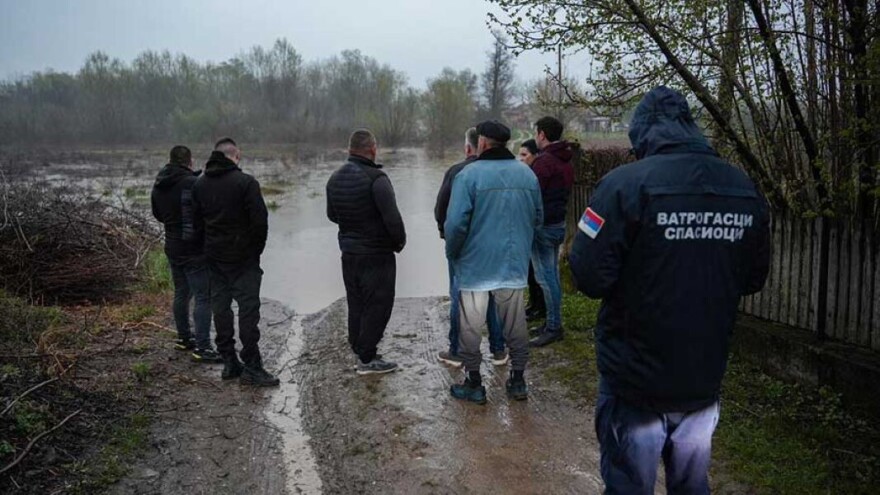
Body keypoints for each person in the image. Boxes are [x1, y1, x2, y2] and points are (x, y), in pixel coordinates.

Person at [568, 86, 771, 494]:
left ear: (641, 133)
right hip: (702, 378)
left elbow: (588, 276)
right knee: (692, 484)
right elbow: (753, 278)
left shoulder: (624, 185)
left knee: (629, 484)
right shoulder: (743, 188)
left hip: (635, 381)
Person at [445, 120, 543, 404]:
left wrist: (454, 253)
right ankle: (518, 380)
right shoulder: (527, 175)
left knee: (471, 327)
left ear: (483, 143)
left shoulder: (469, 175)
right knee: (515, 325)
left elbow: (455, 225)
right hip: (513, 264)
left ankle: (474, 382)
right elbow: (538, 218)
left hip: (476, 266)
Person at [191, 138, 279, 387]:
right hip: (243, 260)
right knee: (248, 312)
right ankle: (252, 365)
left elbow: (196, 224)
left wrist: (206, 250)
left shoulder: (199, 184)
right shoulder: (246, 183)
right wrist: (255, 253)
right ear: (235, 155)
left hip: (214, 259)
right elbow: (260, 222)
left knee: (221, 309)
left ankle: (229, 362)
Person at [326, 129, 406, 375]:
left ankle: (359, 347)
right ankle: (367, 358)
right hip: (376, 254)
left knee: (356, 302)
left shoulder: (334, 178)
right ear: (373, 148)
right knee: (379, 304)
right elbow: (392, 219)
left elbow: (331, 215)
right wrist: (399, 243)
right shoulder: (377, 179)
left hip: (349, 253)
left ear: (349, 149)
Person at [433, 127, 508, 368]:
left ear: (469, 147)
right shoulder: (500, 172)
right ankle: (498, 350)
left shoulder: (457, 171)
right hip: (493, 242)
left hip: (463, 245)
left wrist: (445, 234)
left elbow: (441, 210)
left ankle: (457, 351)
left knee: (459, 295)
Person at [150, 146, 221, 363]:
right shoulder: (192, 183)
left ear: (170, 160)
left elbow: (158, 215)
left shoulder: (159, 184)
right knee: (203, 296)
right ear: (189, 162)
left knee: (182, 292)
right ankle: (203, 347)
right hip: (193, 248)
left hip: (172, 245)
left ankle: (184, 338)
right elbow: (205, 213)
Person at [529, 117, 575, 347]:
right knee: (553, 275)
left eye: (536, 132)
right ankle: (551, 322)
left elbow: (533, 196)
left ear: (543, 134)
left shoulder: (544, 162)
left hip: (543, 227)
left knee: (545, 278)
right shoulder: (565, 158)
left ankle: (554, 327)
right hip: (558, 224)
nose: (536, 136)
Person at [517, 138, 545, 322]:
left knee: (538, 271)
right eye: (519, 155)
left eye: (524, 155)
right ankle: (533, 304)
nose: (521, 159)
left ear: (535, 156)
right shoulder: (525, 174)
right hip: (526, 229)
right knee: (529, 270)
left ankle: (540, 307)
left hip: (535, 228)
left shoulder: (536, 176)